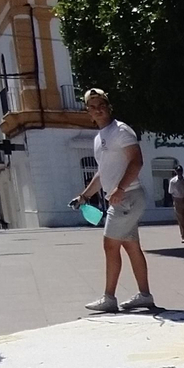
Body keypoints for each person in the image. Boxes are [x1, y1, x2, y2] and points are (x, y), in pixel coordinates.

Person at [72, 88, 153, 313]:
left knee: (110, 245)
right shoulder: (100, 138)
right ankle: (144, 295)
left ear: (109, 107)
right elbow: (102, 172)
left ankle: (109, 298)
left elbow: (136, 162)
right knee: (131, 246)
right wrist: (85, 195)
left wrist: (120, 188)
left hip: (126, 198)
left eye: (102, 104)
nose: (98, 109)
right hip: (123, 198)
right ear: (88, 111)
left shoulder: (120, 131)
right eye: (92, 106)